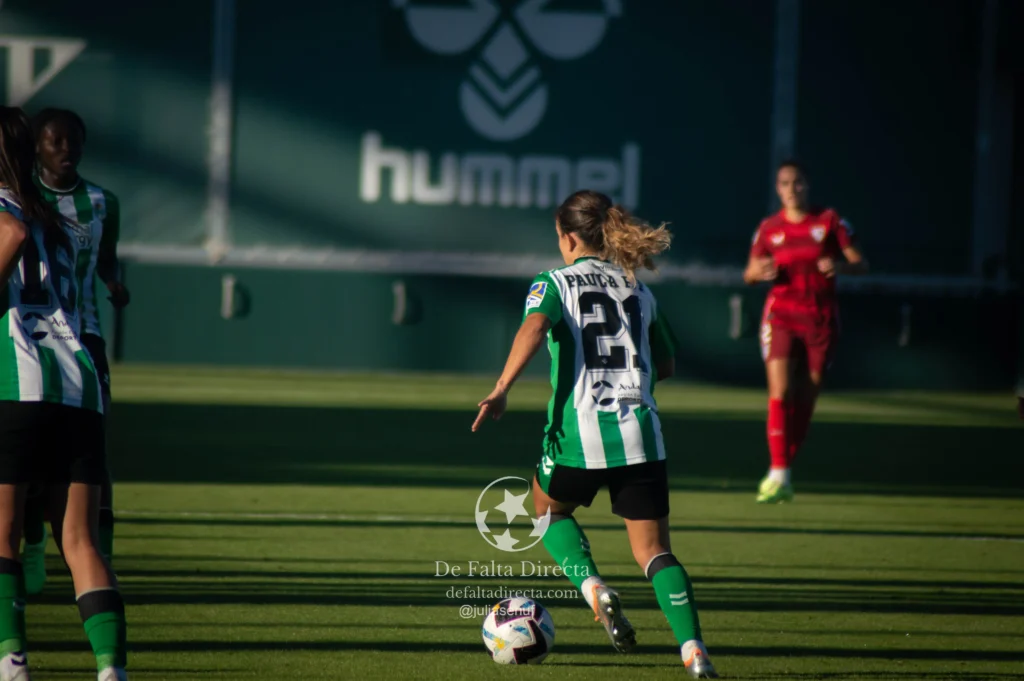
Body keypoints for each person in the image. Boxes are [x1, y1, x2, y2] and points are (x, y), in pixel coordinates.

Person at [472, 190, 718, 678]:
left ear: (568, 238)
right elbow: (666, 363)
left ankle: (593, 587)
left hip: (577, 436)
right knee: (654, 552)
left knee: (547, 511)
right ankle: (693, 650)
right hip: (641, 436)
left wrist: (501, 387)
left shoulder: (553, 282)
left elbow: (534, 328)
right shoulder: (639, 289)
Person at [0, 105, 128, 681]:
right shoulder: (58, 217)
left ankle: (12, 662)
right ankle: (111, 669)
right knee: (80, 541)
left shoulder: (10, 209)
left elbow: (10, 238)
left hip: (18, 380)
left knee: (0, 535)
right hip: (78, 382)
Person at [744, 160, 868, 503]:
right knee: (780, 391)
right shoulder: (769, 227)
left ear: (807, 185)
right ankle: (778, 472)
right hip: (781, 315)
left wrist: (839, 266)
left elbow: (861, 263)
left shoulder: (829, 221)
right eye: (785, 183)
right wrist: (760, 272)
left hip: (820, 318)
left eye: (797, 182)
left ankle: (783, 469)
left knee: (806, 397)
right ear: (777, 189)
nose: (792, 189)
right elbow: (749, 273)